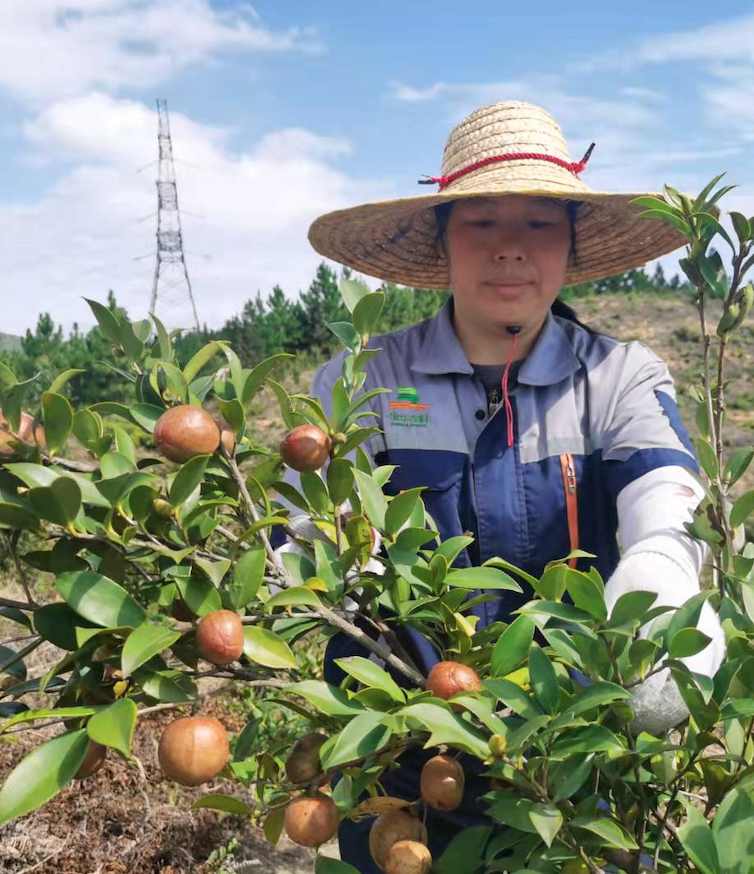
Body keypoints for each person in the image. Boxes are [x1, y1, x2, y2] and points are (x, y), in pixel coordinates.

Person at [287, 99, 725, 872]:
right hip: (399, 767)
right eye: (482, 222)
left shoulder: (619, 378)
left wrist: (660, 586)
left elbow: (664, 501)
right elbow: (307, 534)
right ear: (443, 240)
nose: (510, 251)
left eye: (539, 225)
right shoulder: (367, 382)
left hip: (567, 765)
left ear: (571, 244)